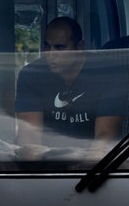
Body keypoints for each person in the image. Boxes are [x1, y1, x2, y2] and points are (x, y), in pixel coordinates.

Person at [15, 16, 121, 156]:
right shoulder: (32, 74)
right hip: (47, 160)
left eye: (60, 47)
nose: (50, 54)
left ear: (79, 47)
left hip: (95, 162)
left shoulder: (106, 73)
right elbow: (29, 135)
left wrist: (90, 164)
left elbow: (105, 135)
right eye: (47, 46)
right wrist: (36, 165)